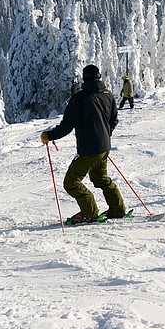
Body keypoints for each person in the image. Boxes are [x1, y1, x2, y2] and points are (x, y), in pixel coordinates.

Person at [42, 64, 126, 224]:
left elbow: (67, 125)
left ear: (84, 78)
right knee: (100, 178)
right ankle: (117, 208)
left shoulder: (79, 98)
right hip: (104, 147)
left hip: (89, 149)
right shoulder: (108, 95)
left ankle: (90, 212)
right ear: (99, 76)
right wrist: (104, 135)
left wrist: (50, 136)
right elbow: (114, 120)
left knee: (71, 182)